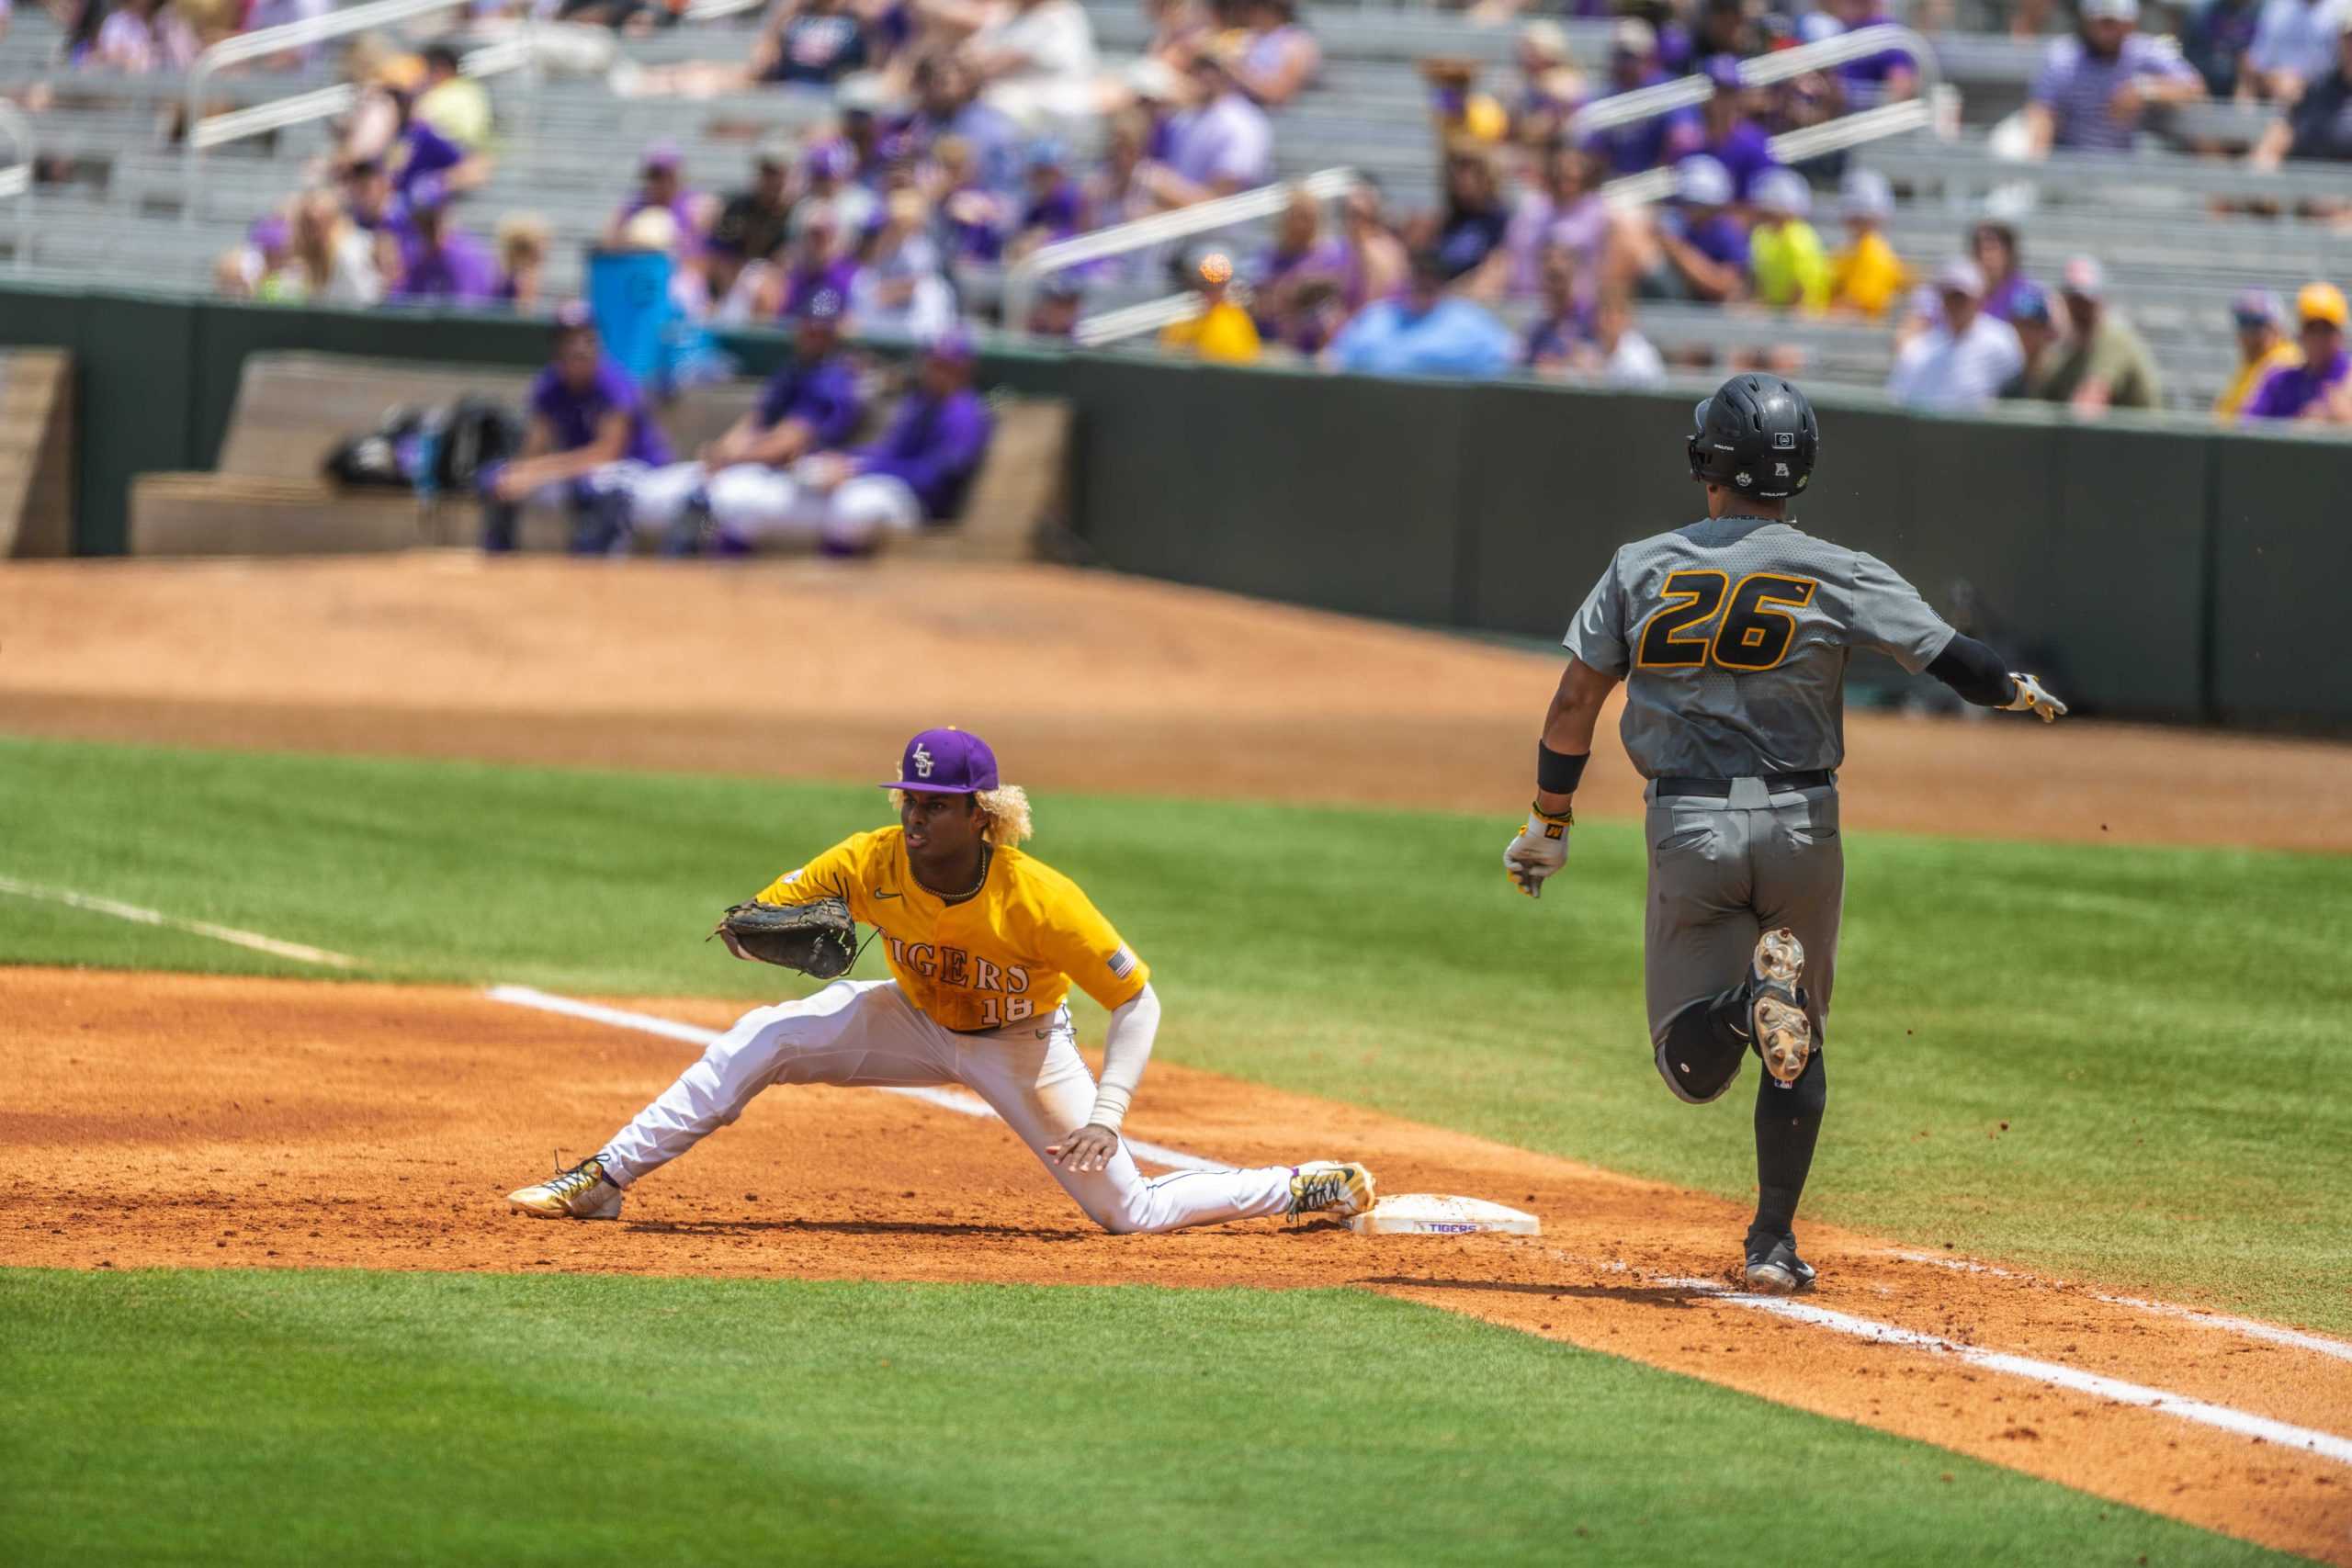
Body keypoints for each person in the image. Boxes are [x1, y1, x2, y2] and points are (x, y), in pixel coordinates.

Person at [1502, 372, 2067, 1294]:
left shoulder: (1641, 564)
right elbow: (1945, 654)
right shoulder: (1835, 569)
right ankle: (1770, 1243)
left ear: (1705, 461)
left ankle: (1736, 1008)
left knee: (1691, 1069)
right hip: (1806, 823)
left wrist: (1549, 821)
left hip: (1690, 823)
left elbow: (1574, 702)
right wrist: (2011, 687)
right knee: (1799, 1028)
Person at [509, 728, 1378, 1232]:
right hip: (911, 1017)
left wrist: (1110, 1114)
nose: (915, 816)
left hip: (1023, 1047)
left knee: (1129, 1214)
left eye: (934, 804)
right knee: (765, 1036)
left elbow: (1137, 998)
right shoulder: (869, 859)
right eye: (908, 801)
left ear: (980, 812)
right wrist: (749, 932)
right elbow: (764, 912)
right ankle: (603, 1179)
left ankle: (1303, 1185)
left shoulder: (1038, 899)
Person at [700, 331, 994, 555]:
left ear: (963, 369)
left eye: (944, 365)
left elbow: (935, 477)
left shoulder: (964, 414)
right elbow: (888, 451)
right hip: (879, 485)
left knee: (853, 509)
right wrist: (845, 461)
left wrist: (861, 469)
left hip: (917, 504)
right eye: (932, 362)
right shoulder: (921, 403)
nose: (933, 370)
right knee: (774, 496)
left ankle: (838, 589)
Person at [627, 290, 865, 554]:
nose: (813, 333)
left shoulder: (833, 379)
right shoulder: (794, 370)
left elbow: (788, 442)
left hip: (810, 474)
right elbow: (756, 421)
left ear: (834, 333)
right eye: (809, 325)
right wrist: (723, 450)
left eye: (821, 329)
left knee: (728, 498)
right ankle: (696, 555)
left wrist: (731, 459)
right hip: (772, 469)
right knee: (682, 485)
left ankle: (718, 565)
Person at [478, 308, 673, 553]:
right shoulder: (550, 386)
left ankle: (596, 558)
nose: (579, 347)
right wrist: (519, 472)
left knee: (599, 486)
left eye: (587, 338)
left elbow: (606, 454)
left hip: (637, 470)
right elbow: (534, 449)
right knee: (497, 477)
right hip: (580, 472)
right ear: (557, 348)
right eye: (570, 340)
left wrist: (536, 473)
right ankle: (500, 555)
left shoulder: (614, 382)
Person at [2021, 0, 2205, 156]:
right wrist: (2037, 158)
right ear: (2087, 21)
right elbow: (2042, 112)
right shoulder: (2062, 56)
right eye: (2101, 22)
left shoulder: (2146, 51)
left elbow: (2194, 88)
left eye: (2114, 23)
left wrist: (2144, 90)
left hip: (2130, 166)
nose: (2106, 32)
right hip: (2073, 159)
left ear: (2130, 23)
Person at [1327, 248, 1517, 379]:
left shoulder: (1470, 321)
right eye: (1417, 278)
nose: (1422, 286)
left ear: (1442, 284)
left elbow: (1511, 359)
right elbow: (1334, 360)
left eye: (1430, 280)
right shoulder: (1376, 316)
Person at [1884, 259, 2025, 411]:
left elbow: (2015, 390)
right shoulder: (1919, 349)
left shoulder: (2001, 340)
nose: (1956, 305)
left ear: (1979, 299)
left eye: (1962, 298)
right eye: (1950, 297)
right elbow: (1898, 398)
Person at [2036, 255, 2164, 412]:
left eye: (2086, 302)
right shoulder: (2067, 350)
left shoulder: (2113, 338)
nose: (2080, 309)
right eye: (2074, 301)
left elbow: (2090, 405)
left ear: (2101, 301)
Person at [1150, 51, 1273, 203]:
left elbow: (1222, 200)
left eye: (1212, 69)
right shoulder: (1184, 118)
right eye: (1198, 67)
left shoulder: (1243, 123)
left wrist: (1162, 185)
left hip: (1220, 224)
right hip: (1180, 221)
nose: (1203, 75)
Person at [2249, 12, 2352, 166]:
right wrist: (2263, 166)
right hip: (2302, 185)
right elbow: (2273, 145)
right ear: (2339, 40)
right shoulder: (2316, 89)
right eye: (2349, 38)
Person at [2242, 280, 2351, 418]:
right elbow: (2247, 427)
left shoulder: (2348, 379)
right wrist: (2297, 428)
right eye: (2312, 329)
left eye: (2327, 330)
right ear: (2301, 335)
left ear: (2340, 335)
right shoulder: (2279, 382)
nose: (2319, 339)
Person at [1747, 169, 1832, 313]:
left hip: (1802, 317)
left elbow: (1799, 292)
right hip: (1779, 315)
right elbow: (1761, 287)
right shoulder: (1763, 236)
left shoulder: (1799, 239)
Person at [388, 195, 499, 305]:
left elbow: (467, 311)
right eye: (422, 225)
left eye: (430, 224)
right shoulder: (418, 257)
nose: (426, 231)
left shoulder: (463, 258)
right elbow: (402, 300)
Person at [1159, 247, 1262, 363]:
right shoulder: (1182, 320)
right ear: (1192, 284)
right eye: (1205, 285)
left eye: (1218, 286)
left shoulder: (1237, 319)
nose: (1211, 293)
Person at [1828, 169, 1907, 319]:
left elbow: (1858, 308)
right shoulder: (1850, 249)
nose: (1855, 221)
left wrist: (1814, 317)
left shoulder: (1874, 251)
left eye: (1861, 218)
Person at [2215, 288, 2301, 419]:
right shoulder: (2252, 362)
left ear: (2276, 327)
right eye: (2243, 322)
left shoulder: (2283, 363)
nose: (2248, 332)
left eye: (2257, 323)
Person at [2243, 0, 2349, 101]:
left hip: (2337, 99)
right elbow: (2255, 65)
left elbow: (2348, 70)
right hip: (2282, 100)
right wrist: (2274, 81)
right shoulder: (2277, 9)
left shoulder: (2345, 6)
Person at [413, 41, 492, 153]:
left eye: (426, 70)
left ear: (441, 68)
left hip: (451, 156)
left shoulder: (443, 95)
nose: (422, 76)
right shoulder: (473, 90)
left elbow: (416, 123)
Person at [1997, 281, 2066, 400]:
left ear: (2044, 330)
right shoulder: (2005, 368)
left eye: (2031, 326)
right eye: (2020, 325)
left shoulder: (2057, 371)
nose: (2024, 333)